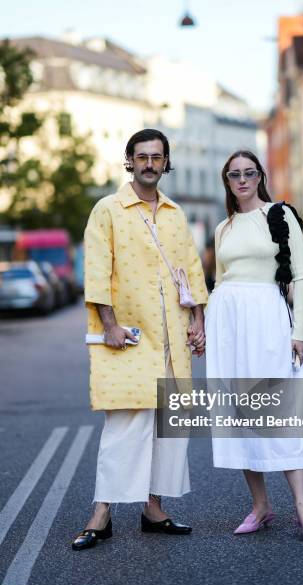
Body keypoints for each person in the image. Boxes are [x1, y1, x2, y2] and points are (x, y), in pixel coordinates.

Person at [72, 129, 208, 550]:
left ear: (167, 163)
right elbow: (97, 270)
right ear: (129, 160)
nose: (150, 163)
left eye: (157, 157)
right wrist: (109, 325)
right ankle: (102, 512)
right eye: (142, 157)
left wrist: (198, 320)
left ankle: (154, 508)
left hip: (173, 337)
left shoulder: (175, 213)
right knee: (125, 425)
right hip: (131, 335)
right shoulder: (108, 210)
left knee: (169, 428)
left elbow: (190, 267)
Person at [205, 150, 303, 543]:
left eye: (249, 173)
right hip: (229, 322)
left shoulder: (280, 215)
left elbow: (302, 276)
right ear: (227, 181)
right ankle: (260, 506)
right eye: (234, 174)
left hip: (268, 317)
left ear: (260, 176)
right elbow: (220, 282)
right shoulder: (223, 228)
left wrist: (299, 332)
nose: (242, 180)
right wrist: (201, 318)